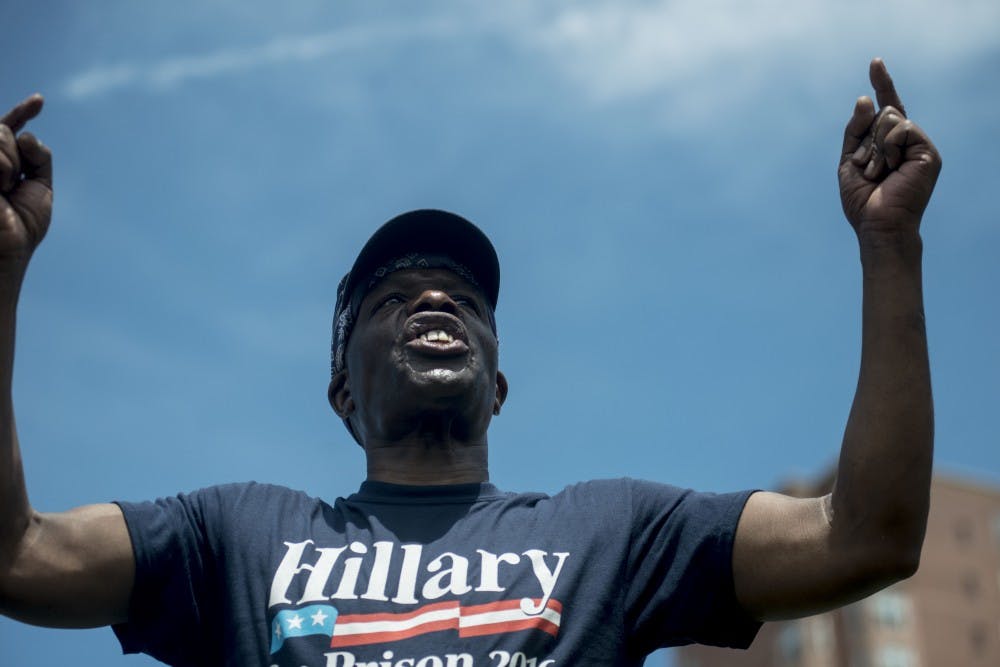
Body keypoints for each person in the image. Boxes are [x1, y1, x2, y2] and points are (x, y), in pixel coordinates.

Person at [0, 58, 940, 666]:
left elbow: (869, 536)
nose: (437, 300)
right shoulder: (235, 536)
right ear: (341, 394)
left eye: (465, 299)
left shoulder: (614, 529)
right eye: (393, 299)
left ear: (497, 385)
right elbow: (18, 557)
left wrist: (889, 245)